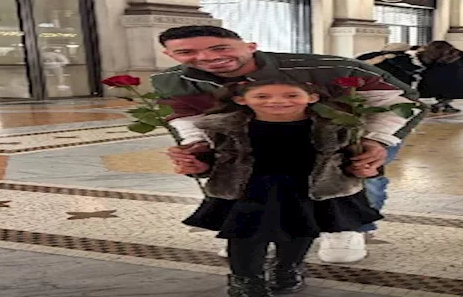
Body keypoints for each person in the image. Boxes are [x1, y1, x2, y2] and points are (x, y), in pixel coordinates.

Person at [152, 26, 425, 263]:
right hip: (255, 137)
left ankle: (348, 228)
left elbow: (399, 102)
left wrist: (375, 140)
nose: (207, 57)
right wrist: (197, 145)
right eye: (186, 52)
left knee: (354, 173)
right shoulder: (173, 80)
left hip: (346, 133)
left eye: (220, 48)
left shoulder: (332, 68)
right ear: (170, 55)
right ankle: (251, 228)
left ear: (250, 47)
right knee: (249, 178)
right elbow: (185, 116)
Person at [181, 79, 384, 296]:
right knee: (246, 234)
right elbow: (219, 158)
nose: (277, 101)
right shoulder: (224, 127)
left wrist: (364, 169)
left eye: (291, 95)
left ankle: (287, 270)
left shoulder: (337, 126)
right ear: (241, 100)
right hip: (248, 190)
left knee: (301, 230)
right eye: (262, 96)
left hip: (309, 188)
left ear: (312, 97)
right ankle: (245, 278)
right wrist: (200, 166)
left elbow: (350, 158)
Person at [417, 41, 463, 113]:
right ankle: (440, 105)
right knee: (454, 93)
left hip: (432, 76)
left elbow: (424, 64)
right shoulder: (457, 53)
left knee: (438, 92)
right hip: (454, 76)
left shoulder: (426, 54)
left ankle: (445, 106)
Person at [355, 43, 425, 88]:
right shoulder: (401, 58)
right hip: (395, 85)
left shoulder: (369, 55)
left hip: (369, 84)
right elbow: (411, 69)